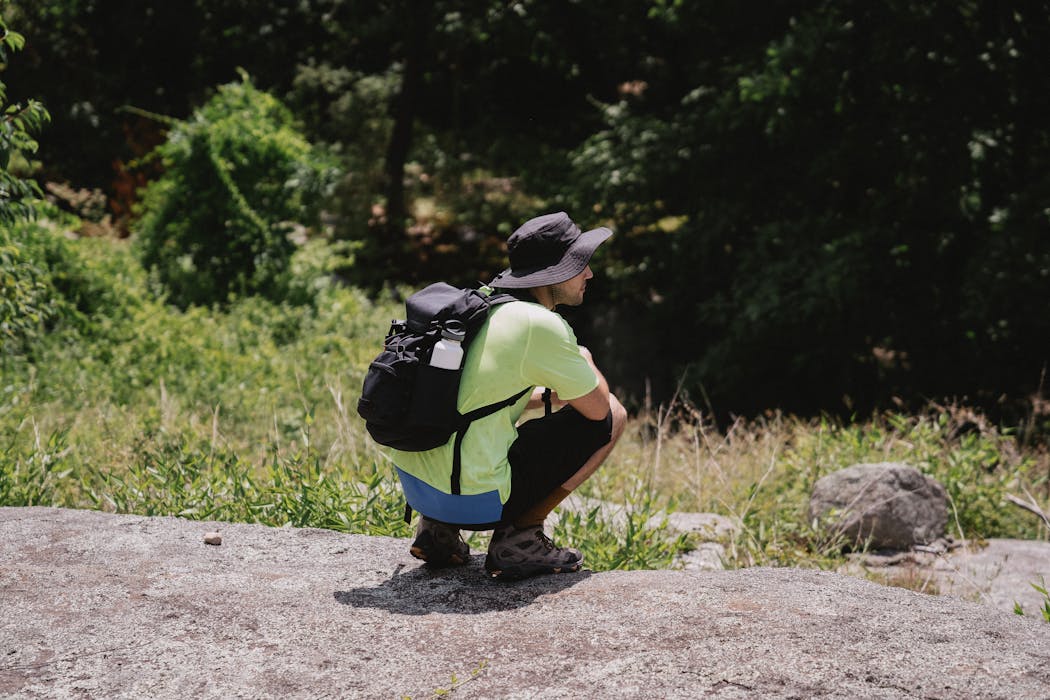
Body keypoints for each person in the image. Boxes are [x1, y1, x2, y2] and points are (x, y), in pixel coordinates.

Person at [391, 211, 627, 580]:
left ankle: (437, 530)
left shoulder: (473, 307)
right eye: (581, 264)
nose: (589, 274)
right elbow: (597, 410)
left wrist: (551, 399)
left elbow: (476, 401)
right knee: (615, 413)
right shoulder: (540, 324)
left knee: (475, 425)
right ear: (556, 272)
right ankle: (521, 538)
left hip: (420, 489)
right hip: (475, 503)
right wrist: (585, 360)